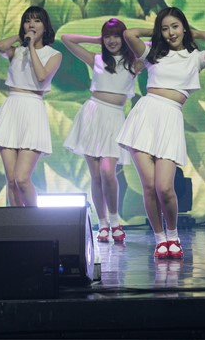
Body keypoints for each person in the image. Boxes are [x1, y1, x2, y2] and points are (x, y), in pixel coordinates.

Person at [117, 7, 205, 259]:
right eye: (165, 28)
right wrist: (156, 32)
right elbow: (129, 34)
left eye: (175, 26)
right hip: (145, 116)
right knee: (148, 187)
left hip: (171, 118)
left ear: (184, 27)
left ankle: (173, 235)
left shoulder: (195, 58)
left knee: (165, 187)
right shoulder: (153, 55)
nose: (171, 33)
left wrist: (195, 32)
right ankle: (160, 239)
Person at [61, 18, 141, 243]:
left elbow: (157, 47)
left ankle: (115, 221)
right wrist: (96, 40)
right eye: (107, 36)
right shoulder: (96, 59)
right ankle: (103, 223)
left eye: (116, 36)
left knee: (108, 171)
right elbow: (66, 39)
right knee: (96, 175)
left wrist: (130, 40)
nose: (111, 41)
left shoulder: (134, 63)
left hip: (114, 117)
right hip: (93, 114)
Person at [0, 6, 62, 207]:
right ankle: (16, 221)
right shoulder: (16, 51)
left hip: (33, 109)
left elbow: (41, 76)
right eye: (27, 20)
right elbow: (0, 46)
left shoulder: (54, 55)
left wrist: (32, 47)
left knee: (22, 178)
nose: (31, 24)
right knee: (11, 180)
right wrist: (21, 38)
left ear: (45, 26)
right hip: (12, 107)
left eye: (37, 20)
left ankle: (34, 220)